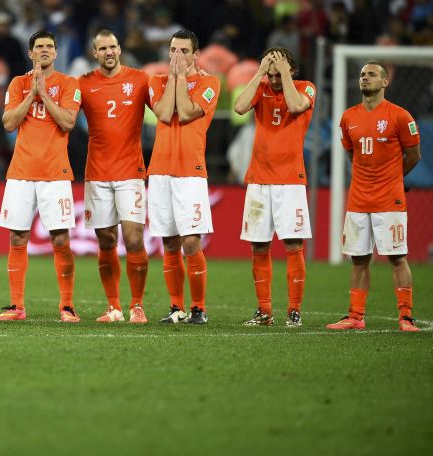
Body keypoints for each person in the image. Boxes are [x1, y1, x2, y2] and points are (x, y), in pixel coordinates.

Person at [0, 30, 82, 322]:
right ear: (30, 53)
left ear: (56, 53)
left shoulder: (69, 84)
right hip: (21, 172)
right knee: (17, 236)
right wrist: (32, 93)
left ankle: (67, 306)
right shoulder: (18, 83)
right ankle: (17, 306)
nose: (44, 50)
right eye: (39, 47)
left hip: (55, 173)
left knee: (60, 238)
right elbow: (8, 123)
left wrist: (44, 93)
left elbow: (68, 122)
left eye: (49, 47)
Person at [327, 62, 421, 332]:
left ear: (385, 82)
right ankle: (355, 316)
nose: (364, 78)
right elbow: (351, 154)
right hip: (358, 199)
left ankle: (406, 316)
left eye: (371, 75)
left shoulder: (400, 116)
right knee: (358, 258)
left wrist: (393, 177)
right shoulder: (348, 118)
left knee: (397, 257)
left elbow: (414, 155)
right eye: (361, 75)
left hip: (389, 199)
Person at [232, 48, 316, 327]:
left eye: (279, 70)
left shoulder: (305, 88)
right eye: (270, 71)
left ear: (292, 70)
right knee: (259, 245)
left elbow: (295, 106)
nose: (273, 76)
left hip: (291, 180)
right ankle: (264, 311)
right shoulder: (261, 86)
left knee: (293, 244)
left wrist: (283, 73)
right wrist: (258, 74)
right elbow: (240, 107)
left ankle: (294, 310)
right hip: (259, 180)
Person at [77, 30, 151, 323]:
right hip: (97, 174)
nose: (108, 52)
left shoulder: (140, 79)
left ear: (120, 49)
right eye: (102, 48)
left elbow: (163, 108)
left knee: (133, 239)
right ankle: (114, 307)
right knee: (106, 240)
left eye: (112, 46)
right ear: (94, 53)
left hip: (131, 172)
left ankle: (137, 305)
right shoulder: (83, 84)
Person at [148, 29, 220, 325]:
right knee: (169, 242)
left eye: (183, 51)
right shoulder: (156, 82)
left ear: (195, 55)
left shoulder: (210, 83)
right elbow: (165, 114)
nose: (177, 56)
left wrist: (179, 79)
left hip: (191, 171)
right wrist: (176, 79)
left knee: (191, 241)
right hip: (160, 170)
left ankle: (199, 308)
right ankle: (176, 307)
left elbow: (188, 112)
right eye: (173, 50)